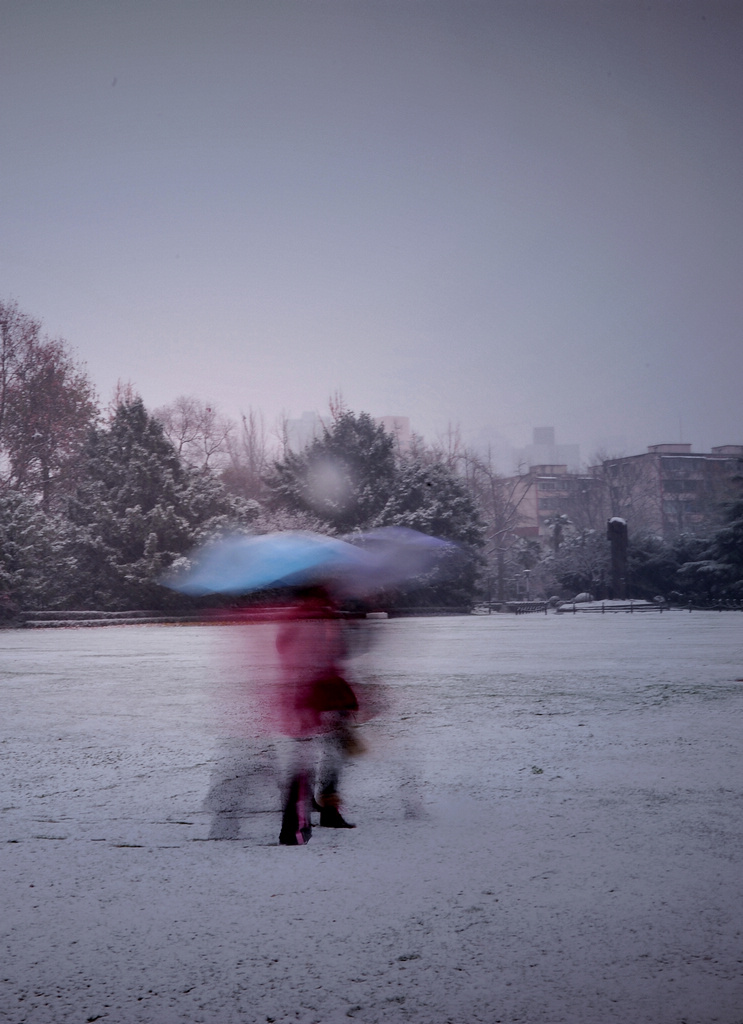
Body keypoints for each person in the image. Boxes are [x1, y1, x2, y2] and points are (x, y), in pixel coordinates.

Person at [275, 587, 360, 846]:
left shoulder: (296, 616)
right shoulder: (323, 616)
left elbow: (283, 648)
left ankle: (316, 807)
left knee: (309, 755)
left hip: (305, 695)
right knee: (332, 755)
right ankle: (324, 811)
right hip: (328, 695)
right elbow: (338, 651)